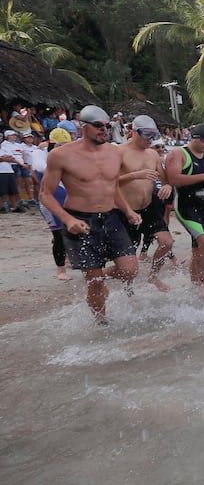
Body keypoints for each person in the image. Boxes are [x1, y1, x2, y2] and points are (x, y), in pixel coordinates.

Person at [38, 105, 142, 323]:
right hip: (80, 219)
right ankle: (100, 321)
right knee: (94, 284)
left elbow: (112, 187)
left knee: (130, 269)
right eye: (98, 126)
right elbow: (45, 195)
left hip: (111, 217)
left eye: (107, 125)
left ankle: (98, 275)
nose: (104, 129)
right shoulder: (61, 155)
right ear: (83, 127)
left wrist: (128, 210)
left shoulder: (115, 152)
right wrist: (67, 219)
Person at [164, 124, 204, 299]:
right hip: (186, 207)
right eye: (203, 141)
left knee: (199, 248)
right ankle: (202, 283)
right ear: (193, 137)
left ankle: (194, 281)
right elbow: (173, 178)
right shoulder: (178, 154)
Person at [115, 115, 175, 292]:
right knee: (129, 259)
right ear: (133, 132)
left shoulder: (152, 154)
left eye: (154, 135)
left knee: (167, 242)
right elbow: (109, 181)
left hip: (149, 207)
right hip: (126, 210)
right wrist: (135, 175)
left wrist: (168, 187)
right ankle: (128, 288)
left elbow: (166, 180)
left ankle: (153, 276)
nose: (151, 140)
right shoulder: (119, 152)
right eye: (147, 135)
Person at [33, 127, 72, 280]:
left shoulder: (70, 157)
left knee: (73, 231)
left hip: (67, 198)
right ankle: (60, 270)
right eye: (59, 146)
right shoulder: (40, 154)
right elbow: (39, 167)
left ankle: (68, 257)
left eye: (66, 146)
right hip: (50, 200)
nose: (63, 149)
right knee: (59, 235)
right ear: (51, 144)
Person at [0, 130, 26, 212]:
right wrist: (6, 158)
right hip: (1, 171)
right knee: (1, 191)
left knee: (12, 190)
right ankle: (1, 207)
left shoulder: (4, 148)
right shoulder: (5, 146)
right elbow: (7, 158)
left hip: (9, 170)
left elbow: (12, 158)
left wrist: (5, 158)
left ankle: (14, 206)